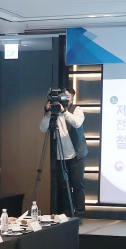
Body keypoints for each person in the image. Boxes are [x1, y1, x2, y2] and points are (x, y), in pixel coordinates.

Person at [40, 87, 87, 215]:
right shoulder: (53, 112)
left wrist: (64, 111)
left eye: (67, 97)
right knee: (64, 186)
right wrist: (48, 112)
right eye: (62, 96)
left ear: (72, 99)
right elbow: (43, 128)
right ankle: (67, 213)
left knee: (77, 185)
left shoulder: (76, 109)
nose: (64, 99)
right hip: (60, 156)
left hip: (76, 155)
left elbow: (77, 123)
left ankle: (79, 214)